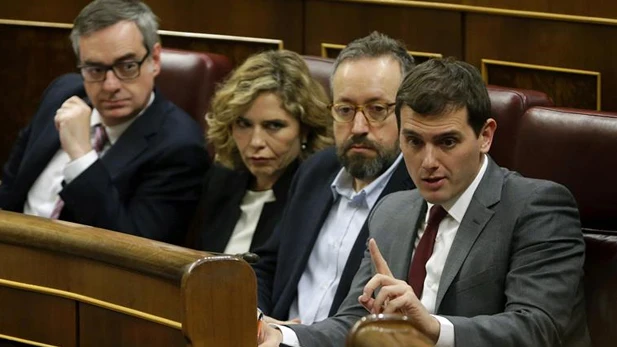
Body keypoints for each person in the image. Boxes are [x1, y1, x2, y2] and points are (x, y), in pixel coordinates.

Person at [259, 58, 591, 347]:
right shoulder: (392, 211)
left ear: (485, 136)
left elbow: (536, 330)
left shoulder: (536, 207)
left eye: (447, 142)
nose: (428, 161)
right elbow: (354, 322)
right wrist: (283, 337)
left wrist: (430, 327)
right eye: (414, 141)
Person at [0, 0, 209, 244]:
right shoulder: (62, 94)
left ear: (155, 59)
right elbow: (11, 189)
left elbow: (134, 250)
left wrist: (81, 157)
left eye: (127, 66)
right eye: (95, 69)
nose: (111, 85)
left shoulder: (181, 148)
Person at [252, 31, 416, 325]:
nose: (358, 127)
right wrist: (260, 320)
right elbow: (268, 265)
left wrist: (293, 338)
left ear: (407, 112)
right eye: (344, 109)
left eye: (377, 109)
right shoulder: (316, 171)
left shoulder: (418, 195)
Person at [189, 49, 333, 254]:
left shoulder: (314, 198)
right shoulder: (221, 180)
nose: (256, 142)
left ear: (305, 130)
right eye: (243, 124)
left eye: (273, 126)